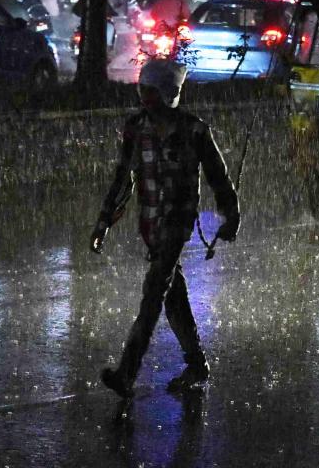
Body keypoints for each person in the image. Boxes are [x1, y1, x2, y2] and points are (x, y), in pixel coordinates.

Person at [91, 59, 241, 398]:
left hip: (177, 225)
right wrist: (103, 222)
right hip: (150, 226)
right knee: (173, 298)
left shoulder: (195, 130)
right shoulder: (135, 128)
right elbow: (122, 179)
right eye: (142, 88)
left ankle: (126, 373)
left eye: (152, 90)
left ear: (168, 93)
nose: (144, 96)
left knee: (153, 294)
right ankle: (197, 364)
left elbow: (218, 176)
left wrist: (231, 214)